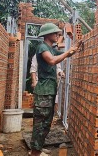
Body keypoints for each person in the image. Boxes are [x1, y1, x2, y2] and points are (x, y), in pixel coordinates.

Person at [29, 23, 82, 156]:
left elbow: (65, 55)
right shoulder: (42, 47)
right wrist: (68, 52)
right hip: (44, 91)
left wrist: (74, 48)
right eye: (55, 33)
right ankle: (35, 152)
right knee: (40, 123)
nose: (58, 35)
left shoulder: (50, 48)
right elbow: (52, 60)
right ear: (47, 34)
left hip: (49, 90)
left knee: (46, 123)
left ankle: (38, 148)